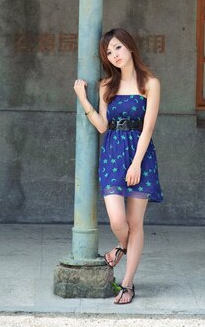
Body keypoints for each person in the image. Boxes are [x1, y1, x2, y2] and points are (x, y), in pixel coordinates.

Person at [73, 28, 163, 305]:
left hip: (140, 155)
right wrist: (83, 99)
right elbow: (102, 126)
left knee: (136, 224)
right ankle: (122, 246)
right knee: (117, 221)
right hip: (112, 153)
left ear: (130, 47)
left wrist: (136, 163)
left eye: (118, 48)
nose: (114, 55)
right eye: (109, 53)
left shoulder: (150, 83)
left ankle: (127, 284)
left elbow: (148, 129)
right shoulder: (105, 86)